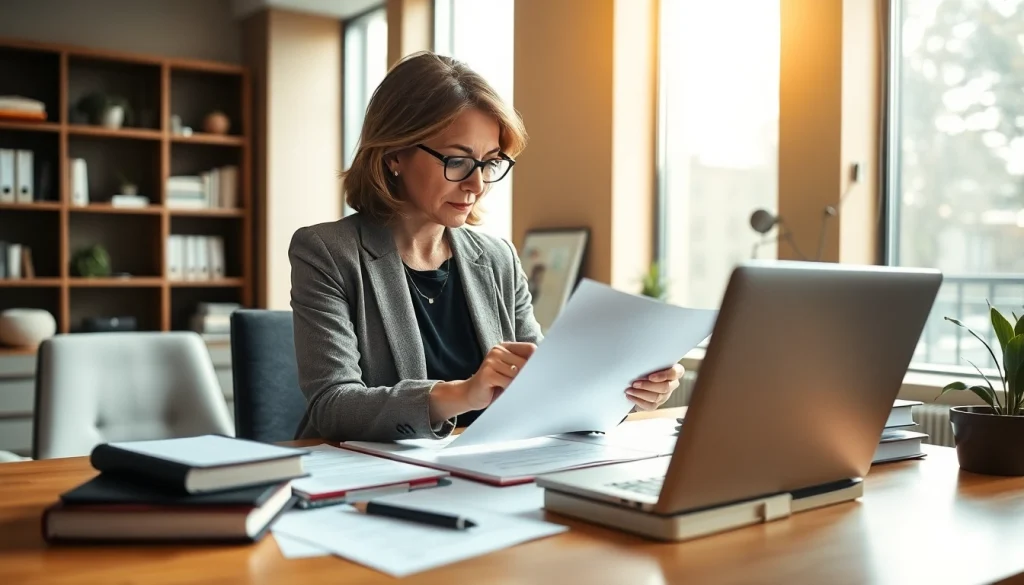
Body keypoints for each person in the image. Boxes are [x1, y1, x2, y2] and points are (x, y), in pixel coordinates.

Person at [288, 52, 684, 443]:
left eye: (490, 163)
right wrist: (461, 394)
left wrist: (628, 388)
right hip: (370, 480)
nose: (477, 185)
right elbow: (333, 405)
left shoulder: (498, 259)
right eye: (457, 161)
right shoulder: (327, 252)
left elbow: (544, 383)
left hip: (482, 471)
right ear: (394, 155)